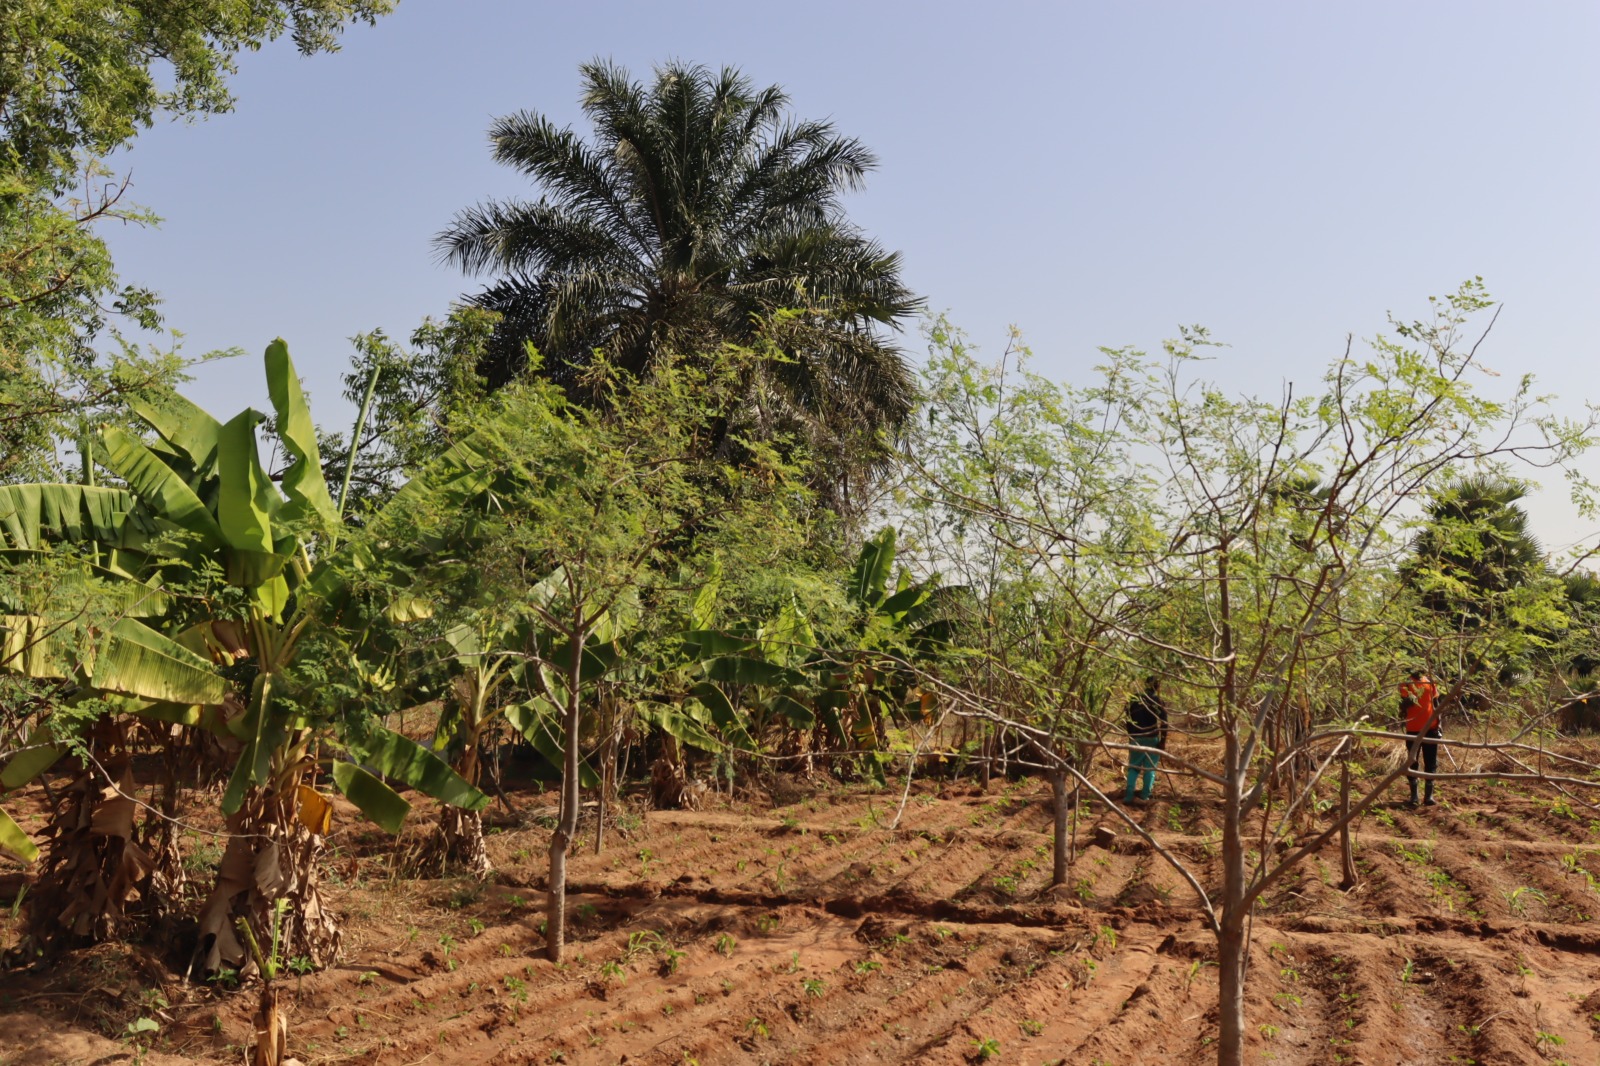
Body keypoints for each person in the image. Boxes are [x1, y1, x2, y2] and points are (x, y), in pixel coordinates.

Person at [1399, 668, 1442, 807]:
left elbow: (1436, 703)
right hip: (1413, 728)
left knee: (1431, 761)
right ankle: (1414, 796)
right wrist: (1413, 694)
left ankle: (1429, 796)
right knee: (1413, 761)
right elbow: (1407, 702)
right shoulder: (1405, 683)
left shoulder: (1429, 682)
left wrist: (1439, 723)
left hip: (1431, 728)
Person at [1124, 676, 1169, 804]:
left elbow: (1127, 718)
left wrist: (1131, 735)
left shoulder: (1133, 699)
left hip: (1136, 737)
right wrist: (1162, 741)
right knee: (1150, 768)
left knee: (1133, 767)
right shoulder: (1157, 701)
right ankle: (1145, 796)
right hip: (1151, 737)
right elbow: (1164, 723)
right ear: (1157, 687)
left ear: (1145, 685)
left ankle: (1128, 795)